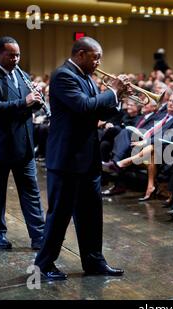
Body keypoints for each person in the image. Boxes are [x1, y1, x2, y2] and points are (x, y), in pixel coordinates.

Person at [34, 37, 129, 280]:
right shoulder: (63, 75)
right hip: (66, 160)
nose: (99, 62)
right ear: (80, 54)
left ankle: (94, 261)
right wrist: (112, 91)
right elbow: (84, 106)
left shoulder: (87, 77)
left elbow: (99, 109)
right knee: (60, 215)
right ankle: (43, 265)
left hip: (86, 159)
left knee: (91, 215)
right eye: (95, 57)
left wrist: (119, 98)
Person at [0, 36, 45, 250]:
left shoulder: (23, 75)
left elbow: (26, 108)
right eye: (11, 55)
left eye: (18, 55)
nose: (16, 59)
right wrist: (25, 101)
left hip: (23, 145)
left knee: (31, 193)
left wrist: (36, 103)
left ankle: (39, 236)